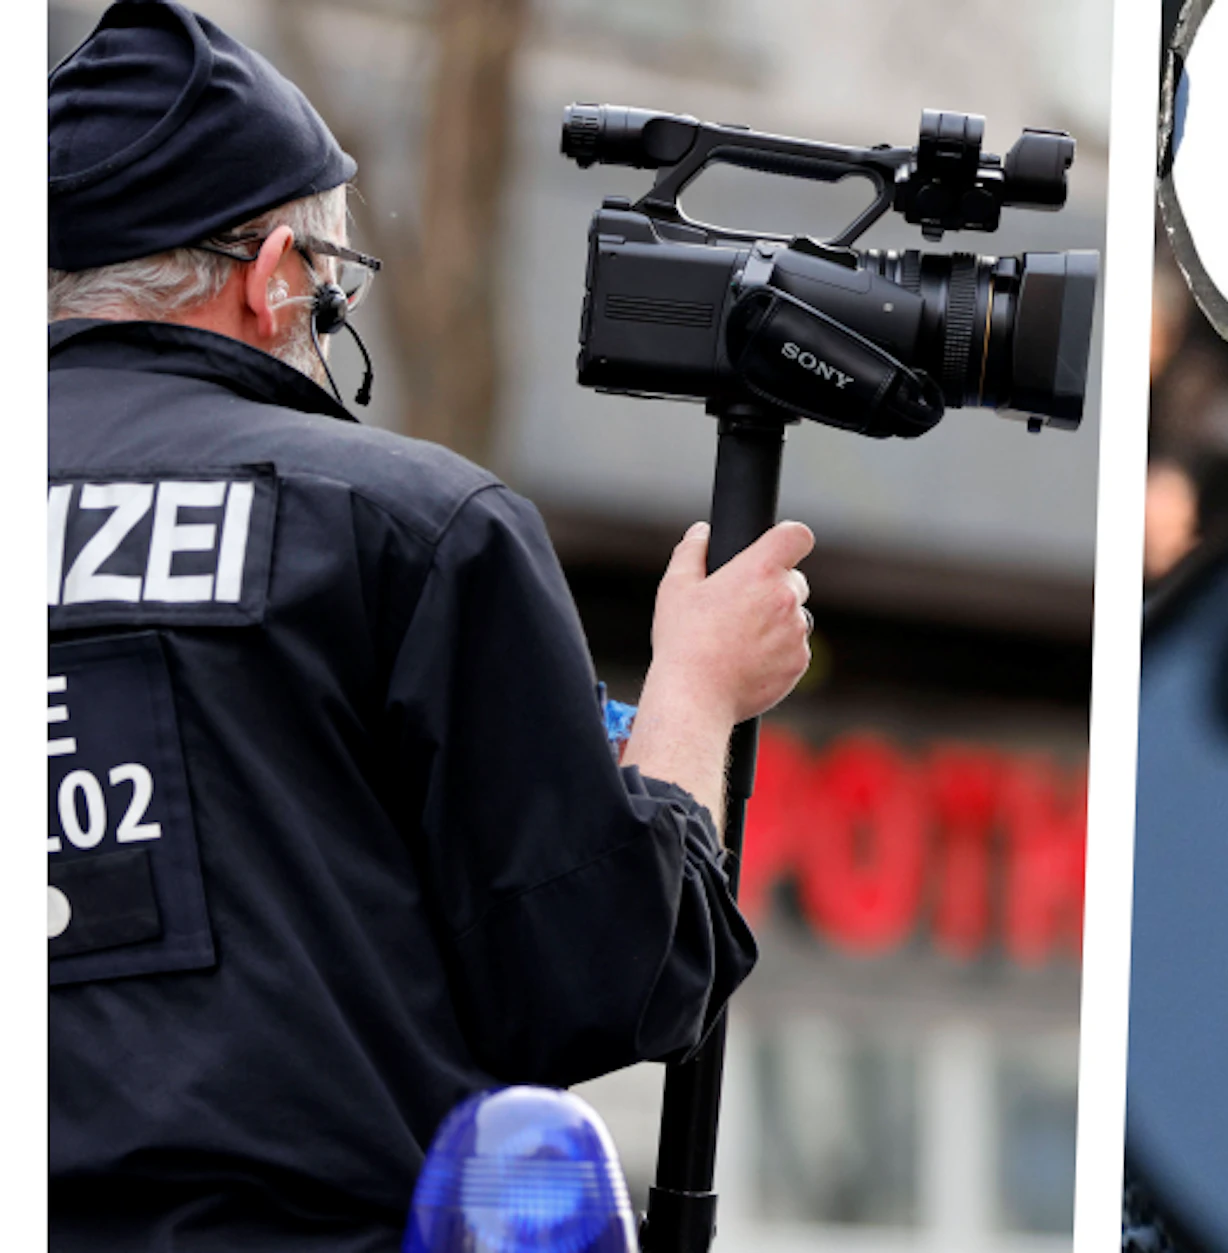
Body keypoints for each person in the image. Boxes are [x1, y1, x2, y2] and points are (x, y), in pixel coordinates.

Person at [47, 2, 812, 1248]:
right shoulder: (406, 526)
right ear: (275, 276)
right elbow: (608, 978)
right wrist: (698, 691)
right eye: (332, 277)